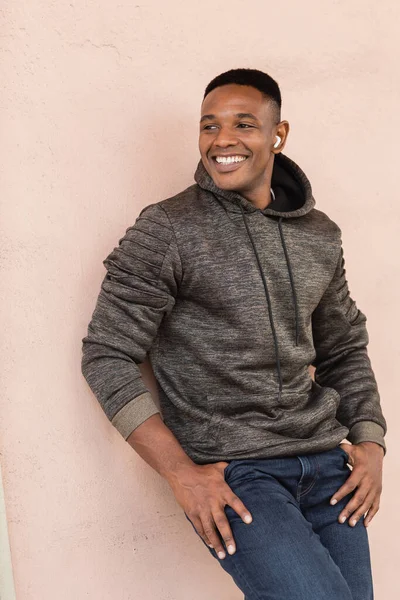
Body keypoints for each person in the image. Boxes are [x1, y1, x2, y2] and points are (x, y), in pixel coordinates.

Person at [81, 68, 387, 600]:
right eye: (209, 126)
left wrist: (372, 443)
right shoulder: (167, 229)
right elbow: (106, 354)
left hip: (328, 467)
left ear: (278, 134)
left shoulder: (321, 236)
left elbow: (342, 348)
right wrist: (180, 473)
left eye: (243, 124)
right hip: (240, 477)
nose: (222, 140)